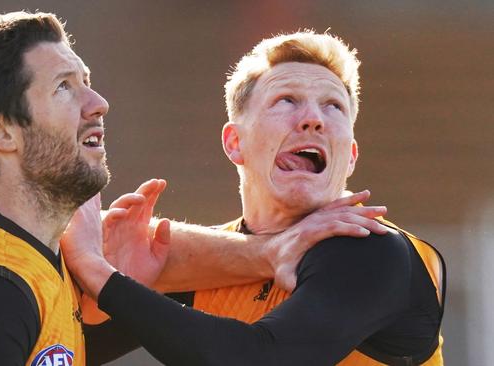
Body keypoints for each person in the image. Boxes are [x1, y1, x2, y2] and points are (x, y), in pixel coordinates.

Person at [0, 13, 387, 366]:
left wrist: (266, 253)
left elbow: (161, 281)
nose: (98, 102)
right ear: (1, 132)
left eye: (86, 79)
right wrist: (105, 276)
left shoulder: (33, 266)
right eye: (64, 87)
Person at [62, 31, 446, 365]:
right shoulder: (215, 262)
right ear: (234, 143)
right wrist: (105, 303)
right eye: (286, 100)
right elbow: (60, 353)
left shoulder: (371, 248)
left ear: (350, 156)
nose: (313, 119)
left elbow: (258, 358)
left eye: (333, 106)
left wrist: (98, 272)